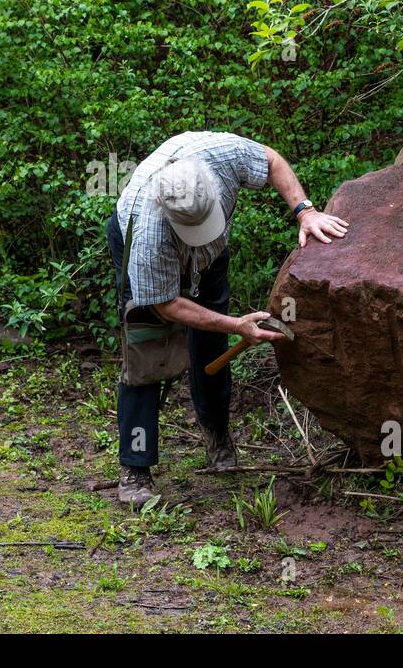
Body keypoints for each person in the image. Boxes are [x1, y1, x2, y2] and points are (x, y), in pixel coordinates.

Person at [106, 131, 349, 505]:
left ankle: (216, 433)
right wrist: (237, 324)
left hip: (210, 259)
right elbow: (165, 305)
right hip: (148, 253)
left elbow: (271, 161)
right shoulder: (149, 234)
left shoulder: (221, 157)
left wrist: (305, 211)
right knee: (146, 351)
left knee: (211, 341)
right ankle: (135, 470)